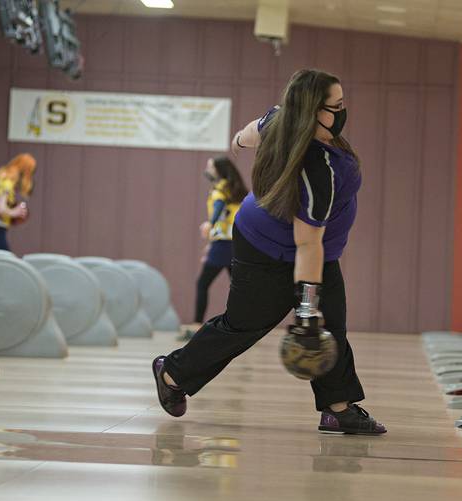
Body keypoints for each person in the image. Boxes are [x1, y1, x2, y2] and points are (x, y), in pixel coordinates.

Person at [151, 69, 386, 435]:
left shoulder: (281, 120)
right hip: (268, 247)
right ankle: (172, 373)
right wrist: (306, 313)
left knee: (332, 322)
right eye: (336, 106)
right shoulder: (317, 170)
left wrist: (255, 138)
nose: (343, 112)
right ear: (310, 111)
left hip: (313, 250)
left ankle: (338, 408)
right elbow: (307, 242)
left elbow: (240, 140)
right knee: (245, 324)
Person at [178, 156, 248, 341]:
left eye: (210, 166)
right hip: (237, 243)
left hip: (224, 243)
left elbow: (219, 206)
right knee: (239, 287)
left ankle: (196, 324)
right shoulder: (235, 188)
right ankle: (244, 325)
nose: (207, 169)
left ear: (218, 170)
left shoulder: (220, 189)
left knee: (203, 283)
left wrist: (210, 223)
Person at [0, 153, 36, 250]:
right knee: (5, 263)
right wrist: (15, 212)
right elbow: (0, 209)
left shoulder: (3, 180)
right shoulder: (7, 183)